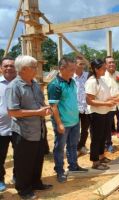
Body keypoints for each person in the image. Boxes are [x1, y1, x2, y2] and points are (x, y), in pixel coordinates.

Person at [6, 55, 53, 199]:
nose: (36, 69)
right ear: (24, 69)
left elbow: (40, 103)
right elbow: (12, 111)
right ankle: (24, 190)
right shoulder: (14, 87)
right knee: (24, 163)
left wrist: (45, 108)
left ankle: (36, 183)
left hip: (38, 130)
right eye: (34, 67)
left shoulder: (34, 84)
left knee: (37, 159)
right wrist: (37, 112)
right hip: (24, 132)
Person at [48, 57, 88, 183]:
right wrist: (59, 123)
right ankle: (59, 170)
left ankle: (73, 165)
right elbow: (53, 107)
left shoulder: (72, 81)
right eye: (71, 69)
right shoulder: (55, 85)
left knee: (73, 145)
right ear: (61, 68)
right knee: (60, 148)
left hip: (74, 121)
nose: (74, 71)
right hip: (63, 123)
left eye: (74, 68)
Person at [85, 59, 119, 170]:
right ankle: (95, 162)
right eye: (103, 68)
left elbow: (106, 97)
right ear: (96, 69)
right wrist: (107, 103)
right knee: (96, 138)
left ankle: (101, 156)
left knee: (103, 136)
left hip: (104, 112)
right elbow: (89, 101)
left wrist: (118, 98)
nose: (105, 70)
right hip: (95, 114)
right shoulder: (92, 81)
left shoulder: (101, 80)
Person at [0, 57, 16, 192]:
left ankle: (18, 176)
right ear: (1, 68)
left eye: (11, 66)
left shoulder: (21, 83)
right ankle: (0, 179)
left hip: (20, 127)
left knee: (21, 155)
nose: (9, 68)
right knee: (0, 156)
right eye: (6, 66)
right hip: (1, 127)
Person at [73, 56, 91, 155]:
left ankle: (81, 146)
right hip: (74, 108)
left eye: (83, 64)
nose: (82, 66)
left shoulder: (88, 76)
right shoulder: (71, 77)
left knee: (85, 129)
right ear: (75, 65)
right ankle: (75, 147)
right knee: (75, 129)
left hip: (86, 107)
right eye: (80, 64)